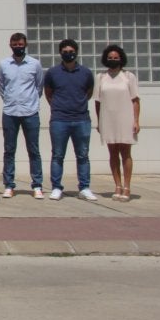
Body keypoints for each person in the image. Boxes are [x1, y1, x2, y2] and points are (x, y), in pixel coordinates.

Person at [44, 38, 97, 201]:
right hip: (59, 119)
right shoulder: (52, 73)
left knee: (82, 155)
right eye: (65, 52)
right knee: (58, 155)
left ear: (77, 52)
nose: (69, 54)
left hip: (81, 119)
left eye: (71, 51)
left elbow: (88, 93)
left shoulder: (86, 73)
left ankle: (84, 187)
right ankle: (56, 187)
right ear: (60, 53)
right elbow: (48, 93)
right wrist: (59, 107)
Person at [0, 32, 45, 199]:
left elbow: (39, 87)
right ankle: (9, 185)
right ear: (10, 45)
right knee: (9, 150)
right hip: (10, 112)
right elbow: (2, 87)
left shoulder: (35, 64)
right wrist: (12, 101)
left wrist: (29, 101)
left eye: (20, 44)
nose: (18, 47)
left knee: (33, 150)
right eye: (14, 44)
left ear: (25, 45)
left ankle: (37, 185)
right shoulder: (4, 64)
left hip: (30, 112)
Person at [95, 45, 139, 202]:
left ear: (121, 58)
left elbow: (135, 100)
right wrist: (99, 121)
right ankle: (117, 186)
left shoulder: (128, 76)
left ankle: (127, 187)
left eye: (116, 57)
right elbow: (98, 101)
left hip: (125, 118)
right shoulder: (101, 77)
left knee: (125, 153)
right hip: (108, 118)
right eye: (110, 57)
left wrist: (136, 120)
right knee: (112, 153)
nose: (113, 60)